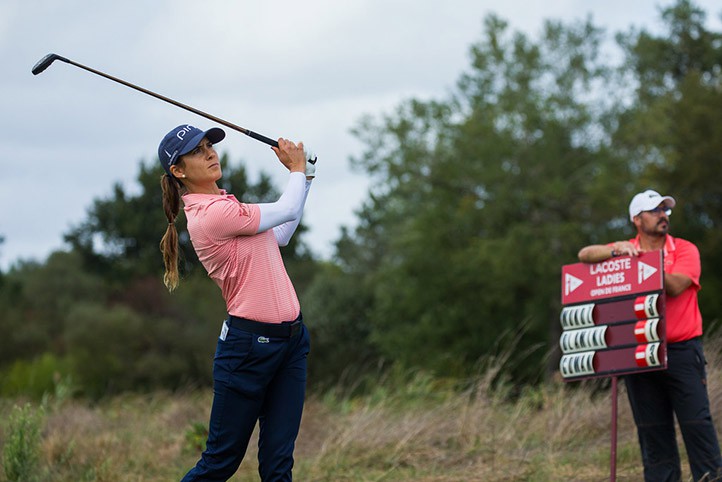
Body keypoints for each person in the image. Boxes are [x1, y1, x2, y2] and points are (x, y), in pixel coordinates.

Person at [157, 124, 315, 481]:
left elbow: (282, 234)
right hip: (248, 350)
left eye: (210, 145)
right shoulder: (210, 215)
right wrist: (295, 169)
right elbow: (287, 210)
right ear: (178, 171)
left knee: (278, 465)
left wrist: (305, 178)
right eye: (197, 151)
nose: (211, 153)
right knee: (220, 463)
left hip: (291, 343)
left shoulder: (228, 205)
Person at [578, 189, 722, 481]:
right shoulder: (625, 249)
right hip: (639, 350)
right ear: (637, 219)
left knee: (697, 424)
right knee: (653, 432)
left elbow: (677, 285)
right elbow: (585, 255)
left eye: (665, 210)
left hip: (681, 351)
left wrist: (641, 263)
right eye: (654, 210)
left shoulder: (684, 249)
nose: (662, 215)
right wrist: (615, 251)